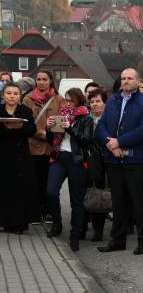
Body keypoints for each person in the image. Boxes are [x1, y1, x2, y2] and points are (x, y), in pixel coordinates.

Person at [96, 68, 143, 256]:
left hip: (137, 160)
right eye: (122, 78)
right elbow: (101, 126)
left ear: (138, 81)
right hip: (114, 159)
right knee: (119, 202)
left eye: (129, 78)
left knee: (139, 203)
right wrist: (111, 145)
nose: (125, 81)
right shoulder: (113, 100)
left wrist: (120, 141)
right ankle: (117, 240)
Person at [46, 88, 94, 252]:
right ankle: (57, 222)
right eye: (66, 100)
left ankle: (75, 234)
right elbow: (50, 139)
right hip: (59, 157)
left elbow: (86, 141)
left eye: (71, 101)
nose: (67, 104)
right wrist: (48, 128)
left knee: (76, 200)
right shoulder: (61, 114)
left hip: (76, 160)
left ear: (79, 101)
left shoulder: (85, 118)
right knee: (51, 192)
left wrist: (70, 129)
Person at [22, 71, 64, 222]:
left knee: (49, 182)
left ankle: (48, 211)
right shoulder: (28, 99)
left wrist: (51, 135)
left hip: (51, 148)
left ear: (51, 81)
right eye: (38, 79)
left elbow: (61, 122)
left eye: (44, 79)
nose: (41, 82)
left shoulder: (59, 99)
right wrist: (41, 134)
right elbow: (25, 122)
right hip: (33, 145)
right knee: (34, 181)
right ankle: (35, 212)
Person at [0, 82, 38, 233]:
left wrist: (20, 127)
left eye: (15, 93)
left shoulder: (25, 111)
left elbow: (32, 129)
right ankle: (3, 221)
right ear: (3, 95)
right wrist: (7, 128)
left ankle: (19, 223)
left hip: (21, 156)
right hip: (3, 155)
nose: (12, 96)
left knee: (20, 190)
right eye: (9, 93)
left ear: (20, 96)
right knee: (4, 189)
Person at [84, 88, 108, 241]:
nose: (94, 105)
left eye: (98, 101)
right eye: (92, 102)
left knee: (110, 194)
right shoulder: (86, 120)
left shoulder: (111, 119)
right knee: (94, 193)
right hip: (90, 161)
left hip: (108, 161)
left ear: (105, 103)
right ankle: (97, 230)